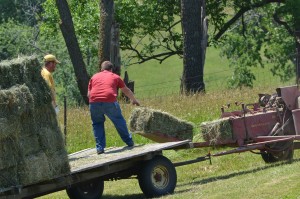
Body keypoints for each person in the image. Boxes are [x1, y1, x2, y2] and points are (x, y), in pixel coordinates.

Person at [88, 61, 140, 154]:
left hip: (94, 101)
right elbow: (126, 90)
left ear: (101, 69)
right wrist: (134, 100)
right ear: (111, 69)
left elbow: (89, 94)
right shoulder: (115, 76)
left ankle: (100, 148)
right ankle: (129, 141)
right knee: (118, 120)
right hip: (109, 100)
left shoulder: (94, 77)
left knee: (97, 124)